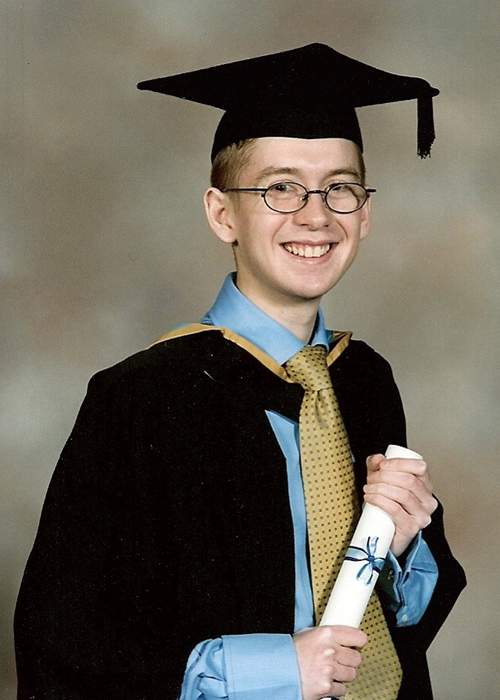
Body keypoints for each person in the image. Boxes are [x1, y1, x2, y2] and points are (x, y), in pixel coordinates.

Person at [15, 44, 465, 700]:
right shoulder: (142, 398)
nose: (315, 215)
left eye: (340, 188)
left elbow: (402, 627)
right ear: (223, 213)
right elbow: (62, 646)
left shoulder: (364, 379)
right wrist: (276, 669)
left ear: (365, 214)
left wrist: (397, 552)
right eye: (280, 187)